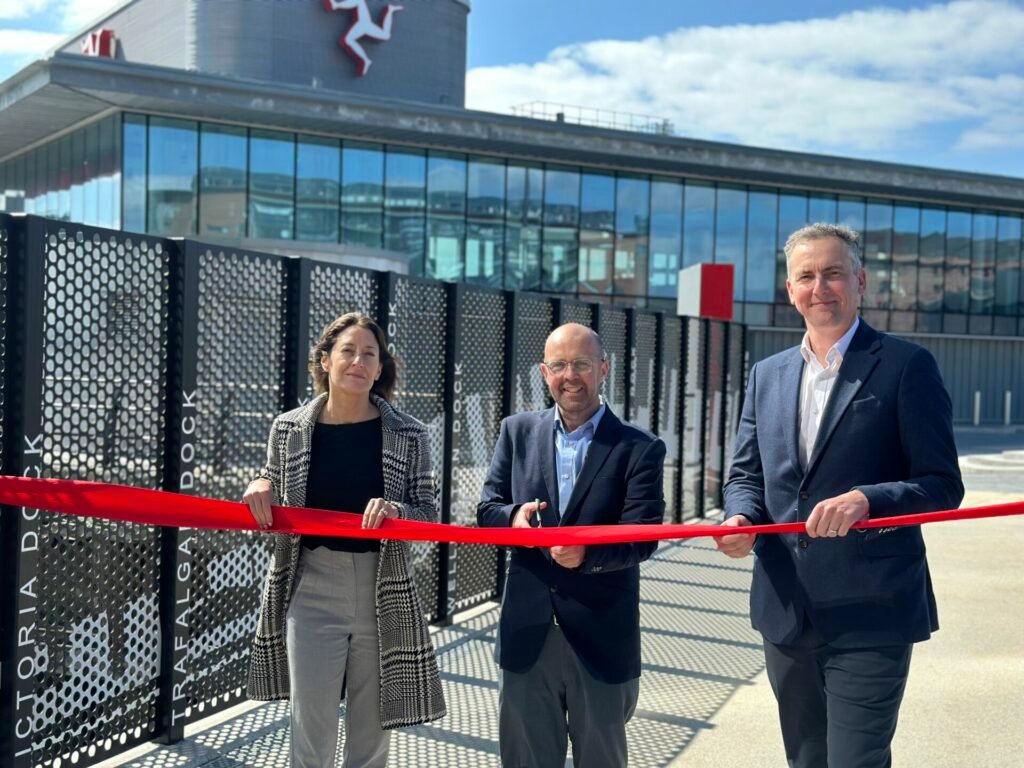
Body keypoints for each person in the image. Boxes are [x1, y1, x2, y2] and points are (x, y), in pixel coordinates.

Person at [716, 223, 963, 768]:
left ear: (861, 281)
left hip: (872, 608)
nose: (819, 286)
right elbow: (745, 478)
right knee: (807, 761)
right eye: (806, 276)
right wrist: (739, 520)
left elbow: (943, 486)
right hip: (787, 611)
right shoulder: (766, 375)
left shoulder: (906, 365)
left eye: (832, 272)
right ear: (789, 290)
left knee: (855, 761)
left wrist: (868, 500)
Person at [243, 312, 445, 768]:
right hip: (310, 587)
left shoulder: (410, 433)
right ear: (326, 360)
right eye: (348, 351)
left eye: (369, 354)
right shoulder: (288, 428)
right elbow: (271, 484)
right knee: (309, 732)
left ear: (379, 369)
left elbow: (428, 513)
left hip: (381, 588)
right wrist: (258, 480)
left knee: (371, 736)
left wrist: (396, 513)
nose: (358, 360)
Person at [477, 322, 666, 768]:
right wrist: (514, 516)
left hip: (600, 637)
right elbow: (488, 509)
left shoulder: (639, 447)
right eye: (559, 365)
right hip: (528, 635)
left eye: (581, 364)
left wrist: (587, 557)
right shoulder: (516, 431)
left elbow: (644, 535)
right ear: (544, 372)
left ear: (603, 369)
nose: (571, 375)